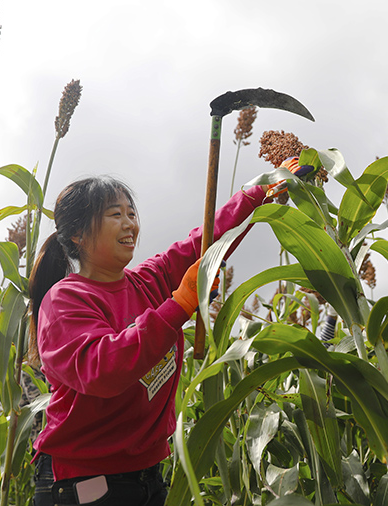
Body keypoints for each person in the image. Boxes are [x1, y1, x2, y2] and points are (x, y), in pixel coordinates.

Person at [27, 173, 287, 506]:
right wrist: (180, 304)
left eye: (131, 213)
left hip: (146, 477)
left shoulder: (148, 281)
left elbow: (204, 244)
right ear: (77, 233)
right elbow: (105, 369)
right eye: (114, 214)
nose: (129, 224)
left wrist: (257, 195)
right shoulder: (65, 300)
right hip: (85, 485)